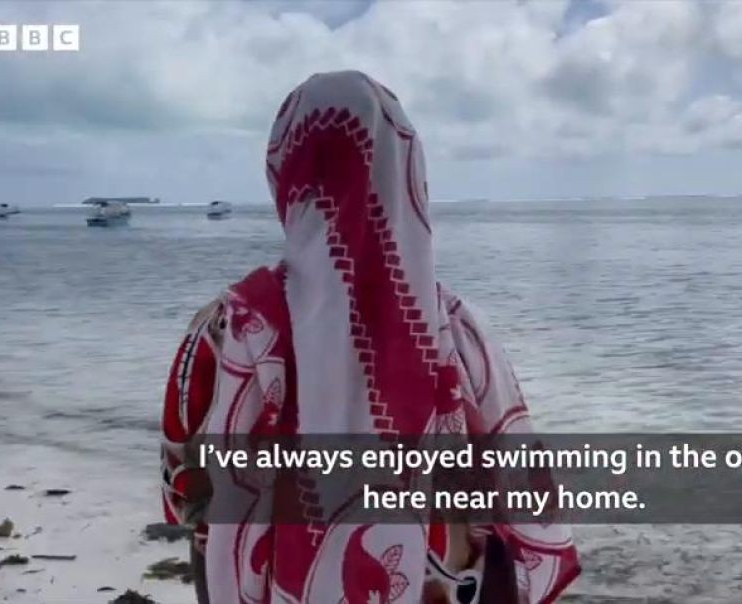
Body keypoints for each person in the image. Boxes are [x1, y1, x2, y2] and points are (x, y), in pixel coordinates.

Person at [160, 70, 580, 604]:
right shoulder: (458, 327)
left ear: (285, 175)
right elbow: (521, 496)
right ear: (407, 170)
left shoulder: (226, 330)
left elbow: (186, 497)